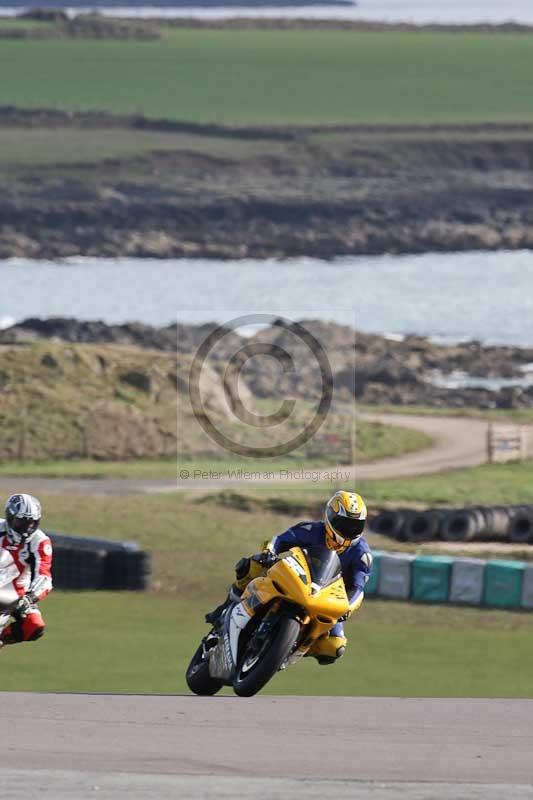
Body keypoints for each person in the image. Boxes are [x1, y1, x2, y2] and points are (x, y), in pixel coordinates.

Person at [206, 490, 372, 665]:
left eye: (355, 526)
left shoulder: (362, 554)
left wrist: (347, 609)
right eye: (344, 524)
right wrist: (269, 552)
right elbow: (280, 540)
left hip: (326, 599)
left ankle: (290, 647)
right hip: (297, 579)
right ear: (330, 517)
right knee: (252, 565)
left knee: (335, 647)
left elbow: (357, 587)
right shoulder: (311, 530)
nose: (349, 530)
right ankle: (226, 609)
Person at [0, 494, 53, 651]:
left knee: (34, 626)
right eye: (21, 522)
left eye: (31, 523)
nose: (26, 528)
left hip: (18, 595)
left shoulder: (40, 542)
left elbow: (44, 577)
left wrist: (29, 598)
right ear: (10, 518)